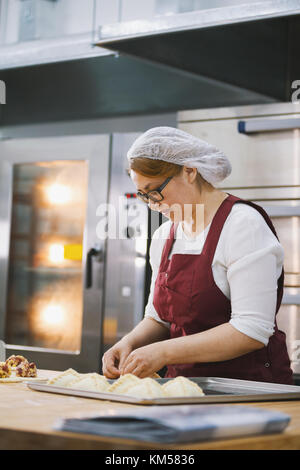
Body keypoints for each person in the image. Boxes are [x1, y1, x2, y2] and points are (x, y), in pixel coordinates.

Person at [102, 126, 293, 384]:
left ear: (189, 171)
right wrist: (128, 343)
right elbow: (160, 318)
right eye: (143, 196)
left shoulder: (242, 225)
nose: (153, 204)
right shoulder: (163, 236)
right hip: (181, 390)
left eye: (155, 190)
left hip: (247, 392)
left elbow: (251, 330)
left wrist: (162, 352)